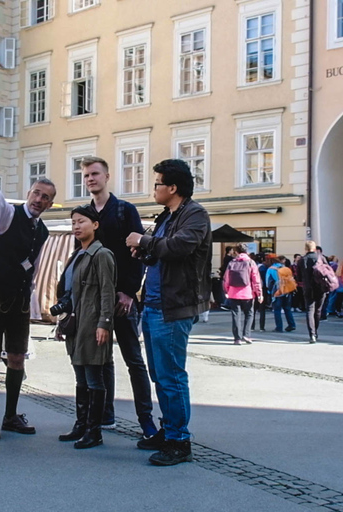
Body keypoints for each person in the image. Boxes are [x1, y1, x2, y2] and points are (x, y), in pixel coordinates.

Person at [126, 159, 212, 466]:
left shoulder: (196, 214)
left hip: (173, 308)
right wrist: (144, 252)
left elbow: (180, 248)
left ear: (172, 188)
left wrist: (144, 240)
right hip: (152, 305)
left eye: (157, 183)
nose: (154, 189)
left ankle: (179, 441)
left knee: (172, 375)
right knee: (159, 376)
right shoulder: (168, 216)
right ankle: (170, 429)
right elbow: (163, 255)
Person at [81, 156, 158, 438]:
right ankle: (105, 415)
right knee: (101, 360)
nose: (90, 179)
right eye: (87, 175)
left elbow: (138, 253)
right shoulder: (86, 213)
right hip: (95, 300)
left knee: (133, 360)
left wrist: (128, 291)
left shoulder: (125, 210)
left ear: (107, 176)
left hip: (123, 298)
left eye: (95, 174)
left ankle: (146, 420)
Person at [0, 167, 55, 441]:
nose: (38, 199)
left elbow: (33, 263)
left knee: (17, 358)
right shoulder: (9, 215)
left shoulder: (43, 230)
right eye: (36, 193)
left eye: (45, 197)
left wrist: (31, 292)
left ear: (50, 203)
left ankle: (10, 415)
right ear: (28, 193)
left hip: (20, 299)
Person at [56, 206, 116, 449]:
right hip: (76, 324)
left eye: (81, 221)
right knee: (80, 376)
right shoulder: (76, 255)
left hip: (92, 324)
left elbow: (107, 292)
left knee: (93, 377)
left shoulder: (101, 255)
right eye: (73, 223)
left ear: (95, 225)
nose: (76, 226)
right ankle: (81, 425)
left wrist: (104, 324)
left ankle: (94, 431)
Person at [223, 243, 263, 345]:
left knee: (236, 315)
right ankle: (247, 335)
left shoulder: (232, 262)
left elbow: (226, 278)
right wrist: (259, 293)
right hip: (247, 293)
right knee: (249, 314)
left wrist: (226, 290)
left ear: (236, 251)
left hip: (233, 293)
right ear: (247, 251)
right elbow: (256, 279)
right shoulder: (250, 262)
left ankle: (237, 338)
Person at [297, 241, 327, 343]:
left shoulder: (301, 260)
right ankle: (316, 331)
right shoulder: (321, 258)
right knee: (318, 310)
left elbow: (299, 277)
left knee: (310, 310)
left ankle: (312, 334)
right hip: (320, 287)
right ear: (314, 248)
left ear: (305, 248)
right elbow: (328, 271)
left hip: (308, 287)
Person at [266, 255, 296, 332]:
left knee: (277, 310)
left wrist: (269, 292)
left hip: (277, 291)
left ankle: (279, 327)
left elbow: (268, 282)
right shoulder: (285, 268)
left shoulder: (270, 269)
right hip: (287, 290)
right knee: (287, 309)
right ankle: (291, 324)